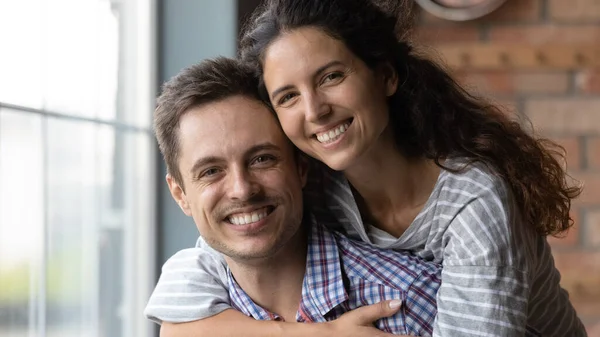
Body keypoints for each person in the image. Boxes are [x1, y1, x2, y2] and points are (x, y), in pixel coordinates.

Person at [146, 0, 587, 336]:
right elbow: (187, 293)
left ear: (385, 76)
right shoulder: (312, 179)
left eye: (330, 77)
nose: (315, 110)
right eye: (288, 96)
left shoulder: (473, 205)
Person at [150, 56, 445, 336]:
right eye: (211, 171)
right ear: (180, 195)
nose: (242, 189)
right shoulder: (190, 298)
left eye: (261, 159)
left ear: (301, 167)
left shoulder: (411, 298)